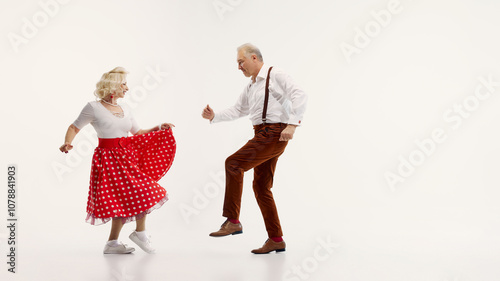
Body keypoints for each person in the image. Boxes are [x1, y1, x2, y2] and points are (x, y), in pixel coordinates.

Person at [202, 43, 307, 254]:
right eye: (237, 63)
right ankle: (276, 239)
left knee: (233, 163)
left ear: (254, 58)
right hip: (262, 134)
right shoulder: (251, 86)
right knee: (261, 188)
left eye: (241, 62)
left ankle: (232, 220)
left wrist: (292, 125)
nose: (239, 67)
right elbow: (238, 109)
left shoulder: (275, 74)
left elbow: (300, 95)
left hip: (274, 133)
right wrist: (215, 117)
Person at [59, 67, 176, 254]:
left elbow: (138, 133)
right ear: (113, 86)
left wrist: (159, 127)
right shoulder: (93, 107)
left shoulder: (126, 108)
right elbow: (74, 127)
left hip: (126, 158)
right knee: (122, 200)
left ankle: (114, 243)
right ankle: (137, 234)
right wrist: (67, 142)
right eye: (124, 84)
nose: (127, 88)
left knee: (137, 194)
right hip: (108, 160)